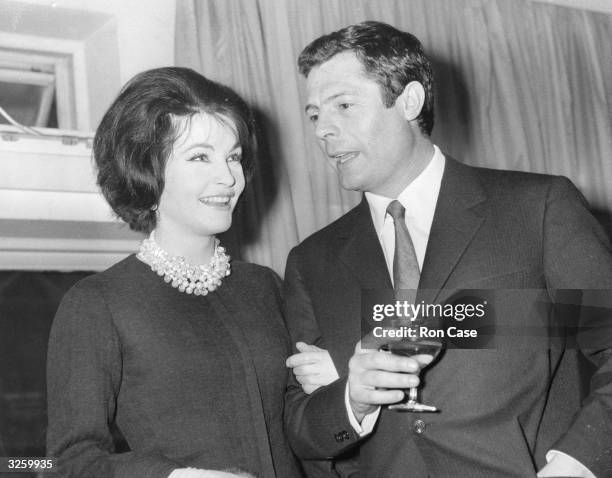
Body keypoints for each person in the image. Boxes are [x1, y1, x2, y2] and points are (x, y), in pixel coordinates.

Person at [283, 21, 612, 477]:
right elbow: (302, 431)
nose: (323, 130)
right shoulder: (311, 261)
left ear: (409, 101)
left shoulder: (536, 208)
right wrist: (349, 400)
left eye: (343, 105)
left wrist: (578, 464)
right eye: (315, 114)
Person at [46, 67, 302, 478]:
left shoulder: (265, 286)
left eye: (233, 156)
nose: (228, 177)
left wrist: (349, 396)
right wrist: (172, 476)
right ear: (148, 170)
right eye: (200, 156)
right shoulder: (98, 303)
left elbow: (304, 428)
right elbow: (60, 463)